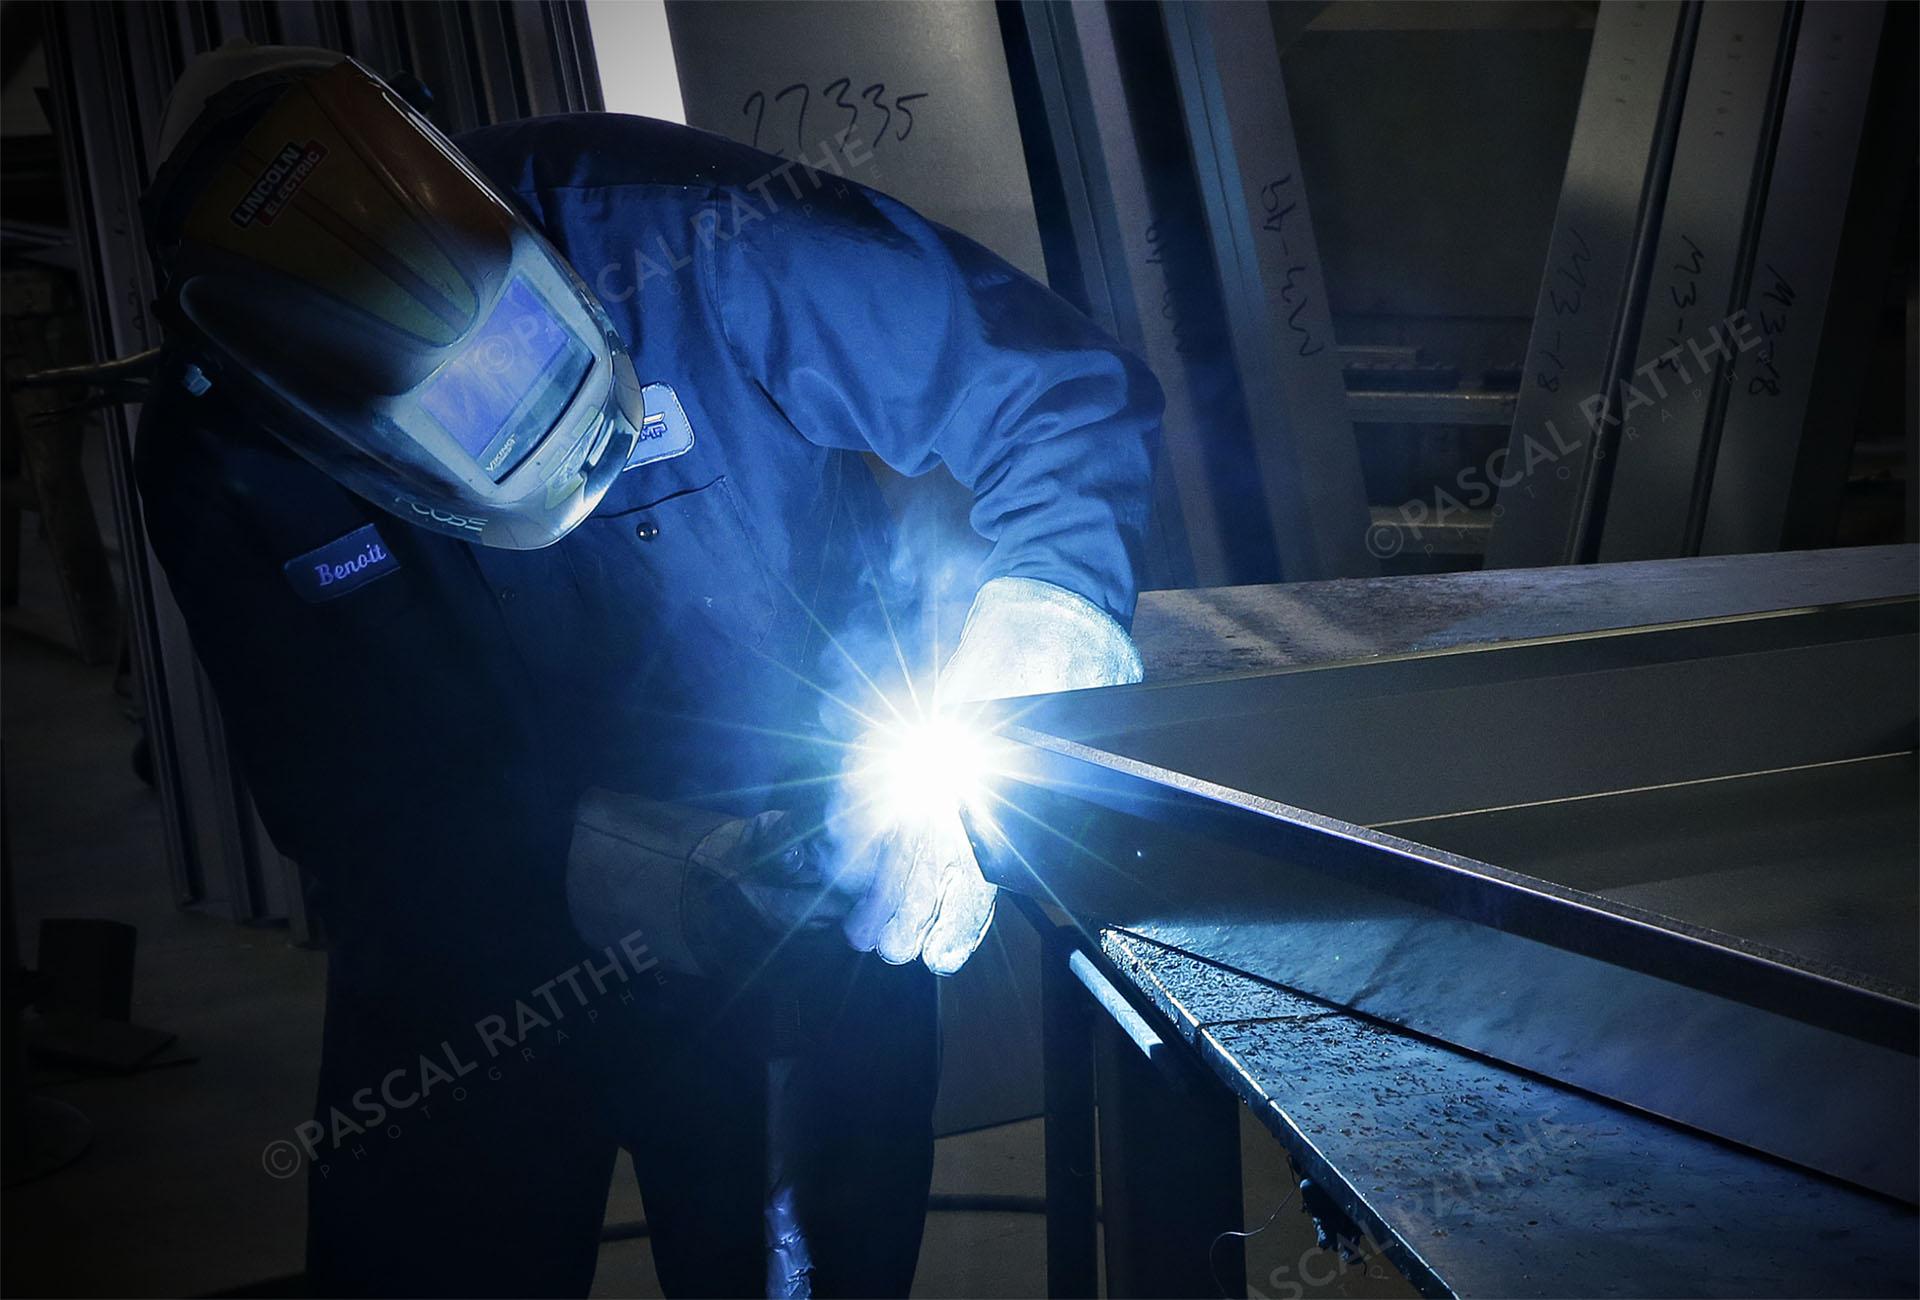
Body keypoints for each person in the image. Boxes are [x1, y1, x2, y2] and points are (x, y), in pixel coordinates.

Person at [135, 43, 1159, 1298]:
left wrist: (1043, 629)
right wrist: (574, 851)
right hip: (481, 938)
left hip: (812, 869)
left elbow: (1053, 398)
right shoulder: (224, 449)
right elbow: (329, 781)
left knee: (810, 1265)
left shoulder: (691, 234)